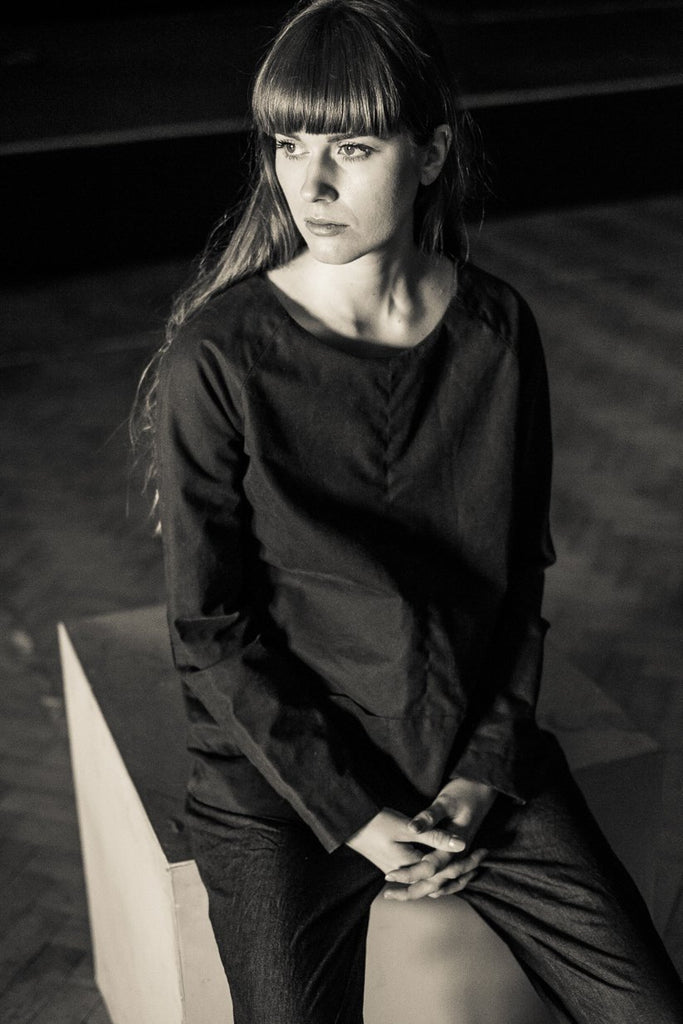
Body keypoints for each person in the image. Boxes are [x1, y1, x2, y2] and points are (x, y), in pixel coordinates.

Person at [131, 1, 683, 1021]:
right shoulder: (217, 353)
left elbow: (517, 582)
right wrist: (353, 814)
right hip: (279, 781)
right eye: (289, 144)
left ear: (429, 155)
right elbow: (209, 629)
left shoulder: (495, 329)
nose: (311, 184)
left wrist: (479, 776)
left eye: (350, 147)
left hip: (462, 746)